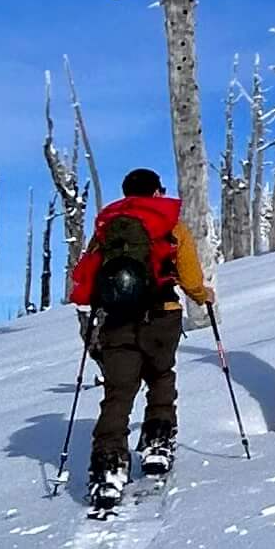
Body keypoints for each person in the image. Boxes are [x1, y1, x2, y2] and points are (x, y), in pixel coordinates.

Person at [66, 165, 212, 510]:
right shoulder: (171, 224)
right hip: (163, 313)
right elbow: (190, 275)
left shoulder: (108, 228)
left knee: (118, 393)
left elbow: (85, 281)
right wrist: (202, 294)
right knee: (161, 375)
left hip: (118, 320)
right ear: (157, 191)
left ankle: (108, 469)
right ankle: (157, 444)